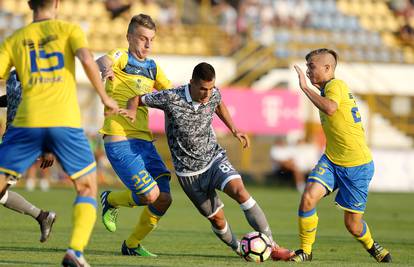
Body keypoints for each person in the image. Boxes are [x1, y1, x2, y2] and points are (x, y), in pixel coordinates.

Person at [120, 62, 293, 261]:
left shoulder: (213, 93)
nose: (207, 94)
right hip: (189, 174)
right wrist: (132, 112)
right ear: (191, 83)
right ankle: (240, 249)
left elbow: (218, 103)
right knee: (218, 220)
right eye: (202, 88)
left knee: (240, 191)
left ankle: (272, 246)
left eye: (210, 88)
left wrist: (234, 129)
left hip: (214, 159)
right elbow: (135, 99)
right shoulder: (171, 97)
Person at [0, 0, 119, 266]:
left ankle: (47, 222)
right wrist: (104, 97)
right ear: (57, 3)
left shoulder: (15, 39)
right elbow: (88, 60)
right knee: (87, 186)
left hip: (26, 122)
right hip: (63, 121)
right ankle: (75, 252)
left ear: (29, 4)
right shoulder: (69, 30)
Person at [290, 48, 391, 262]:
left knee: (353, 226)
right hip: (332, 160)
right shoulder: (326, 91)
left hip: (357, 165)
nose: (307, 71)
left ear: (328, 68)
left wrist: (305, 89)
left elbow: (331, 109)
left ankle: (373, 246)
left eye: (311, 66)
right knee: (308, 197)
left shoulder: (336, 85)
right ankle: (305, 251)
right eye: (307, 67)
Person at [97, 14, 172, 257]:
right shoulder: (121, 56)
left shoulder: (153, 67)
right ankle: (111, 200)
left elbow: (171, 93)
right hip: (119, 138)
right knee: (150, 195)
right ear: (129, 37)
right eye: (142, 38)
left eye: (151, 39)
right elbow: (102, 60)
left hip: (144, 142)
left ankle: (131, 245)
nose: (148, 45)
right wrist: (106, 70)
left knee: (164, 198)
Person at [0, 71, 56, 242]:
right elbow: (12, 99)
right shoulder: (12, 76)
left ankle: (42, 216)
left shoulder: (39, 75)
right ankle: (42, 216)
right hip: (11, 139)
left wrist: (48, 148)